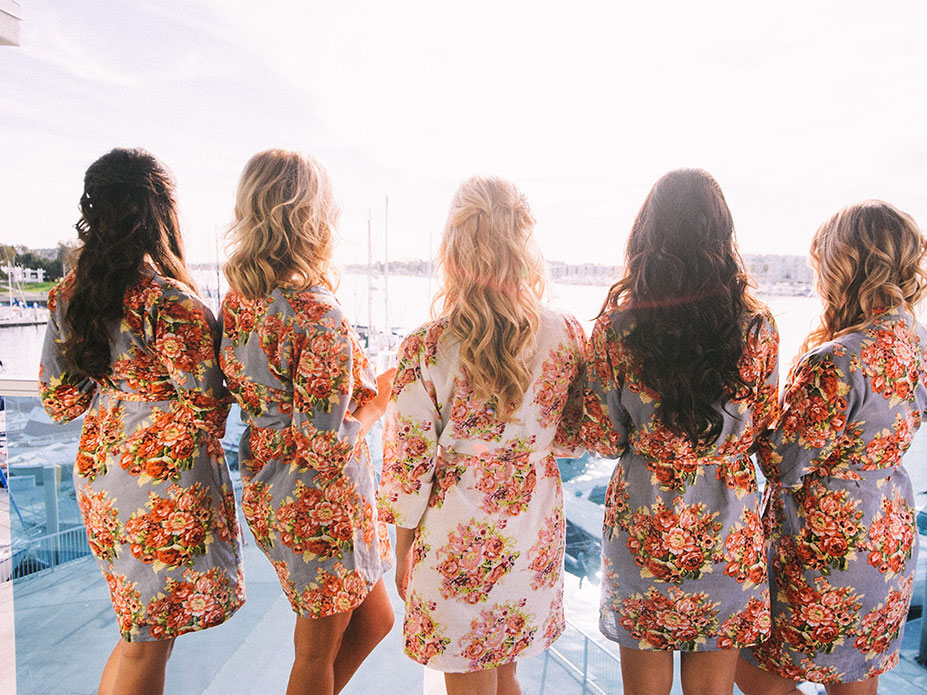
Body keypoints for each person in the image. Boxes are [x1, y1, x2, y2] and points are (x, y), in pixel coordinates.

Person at [736, 200, 927, 695]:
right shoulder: (926, 343)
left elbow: (781, 463)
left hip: (824, 537)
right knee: (855, 679)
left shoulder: (835, 359)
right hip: (887, 528)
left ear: (841, 266)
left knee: (759, 679)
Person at [39, 148, 245, 695]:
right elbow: (208, 409)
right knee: (147, 638)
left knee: (138, 629)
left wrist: (115, 383)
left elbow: (59, 401)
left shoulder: (69, 296)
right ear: (162, 214)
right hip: (162, 480)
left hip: (104, 469)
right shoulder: (169, 300)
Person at [378, 175, 586, 695]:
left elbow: (408, 469)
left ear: (454, 248)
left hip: (454, 540)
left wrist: (404, 550)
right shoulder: (566, 333)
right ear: (523, 242)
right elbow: (572, 440)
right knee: (506, 671)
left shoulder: (427, 347)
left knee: (467, 681)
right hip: (531, 529)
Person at [581, 169, 779, 695]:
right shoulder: (757, 327)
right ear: (722, 236)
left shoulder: (616, 329)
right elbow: (762, 426)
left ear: (647, 235)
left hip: (644, 524)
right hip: (726, 527)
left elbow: (602, 436)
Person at [219, 149, 394, 695]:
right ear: (311, 216)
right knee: (315, 653)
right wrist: (378, 397)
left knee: (376, 620)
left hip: (272, 483)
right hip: (319, 500)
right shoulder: (318, 313)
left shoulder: (239, 301)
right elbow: (325, 443)